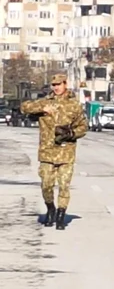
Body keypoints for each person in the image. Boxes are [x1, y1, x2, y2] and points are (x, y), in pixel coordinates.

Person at [20, 74, 88, 230]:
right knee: (46, 185)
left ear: (65, 84)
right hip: (47, 152)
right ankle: (51, 208)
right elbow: (24, 107)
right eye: (53, 85)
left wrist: (71, 134)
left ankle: (61, 215)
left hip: (66, 152)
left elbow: (83, 127)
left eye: (59, 84)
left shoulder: (74, 105)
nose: (56, 87)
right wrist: (42, 108)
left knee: (64, 185)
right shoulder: (45, 102)